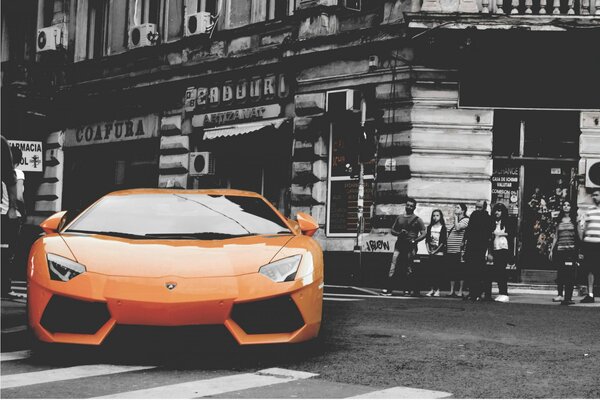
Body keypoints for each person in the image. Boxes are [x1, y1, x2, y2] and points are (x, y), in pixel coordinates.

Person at [383, 197, 426, 297]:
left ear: (414, 208)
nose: (409, 207)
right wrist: (399, 233)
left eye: (411, 206)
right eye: (408, 205)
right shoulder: (399, 218)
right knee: (393, 266)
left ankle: (407, 290)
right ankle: (388, 289)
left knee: (409, 267)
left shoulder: (418, 220)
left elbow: (424, 233)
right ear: (405, 206)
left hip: (411, 246)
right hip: (399, 244)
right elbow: (392, 230)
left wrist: (415, 240)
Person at [549, 200, 579, 306]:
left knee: (569, 274)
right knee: (561, 273)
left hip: (571, 250)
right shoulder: (559, 220)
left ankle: (568, 297)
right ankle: (560, 294)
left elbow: (578, 236)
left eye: (568, 205)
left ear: (571, 207)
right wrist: (552, 250)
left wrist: (579, 251)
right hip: (560, 250)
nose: (566, 207)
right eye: (564, 205)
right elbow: (556, 236)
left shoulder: (574, 221)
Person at [1, 135, 19, 298]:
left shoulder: (1, 143)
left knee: (4, 252)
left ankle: (4, 286)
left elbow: (10, 178)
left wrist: (12, 208)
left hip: (1, 212)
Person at [463, 200, 492, 301]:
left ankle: (476, 292)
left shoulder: (483, 217)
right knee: (473, 271)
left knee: (477, 271)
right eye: (476, 207)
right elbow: (469, 229)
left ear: (484, 207)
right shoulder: (479, 216)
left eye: (479, 207)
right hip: (474, 246)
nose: (477, 209)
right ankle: (474, 292)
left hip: (478, 247)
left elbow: (488, 234)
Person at [486, 203, 515, 303]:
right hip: (496, 247)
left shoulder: (507, 221)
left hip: (503, 248)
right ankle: (501, 293)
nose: (497, 212)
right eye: (496, 210)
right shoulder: (493, 222)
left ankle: (504, 293)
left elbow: (512, 233)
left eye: (499, 210)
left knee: (501, 271)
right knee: (498, 271)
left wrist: (501, 233)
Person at [579, 189, 600, 304]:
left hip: (599, 242)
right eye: (593, 195)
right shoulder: (589, 211)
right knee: (590, 269)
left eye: (597, 195)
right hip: (590, 243)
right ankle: (590, 294)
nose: (594, 197)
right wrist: (583, 242)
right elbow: (585, 227)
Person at [446, 203, 469, 298]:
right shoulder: (454, 220)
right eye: (455, 207)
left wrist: (455, 218)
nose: (455, 209)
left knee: (460, 270)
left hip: (459, 249)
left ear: (463, 210)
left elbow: (458, 228)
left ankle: (460, 290)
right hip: (450, 249)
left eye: (458, 207)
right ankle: (452, 291)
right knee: (452, 270)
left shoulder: (466, 220)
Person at [425, 209, 447, 297]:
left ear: (440, 217)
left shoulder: (443, 228)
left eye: (437, 215)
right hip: (431, 252)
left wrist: (435, 251)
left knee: (438, 272)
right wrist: (428, 250)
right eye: (434, 215)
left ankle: (437, 289)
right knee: (431, 272)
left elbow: (442, 242)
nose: (435, 217)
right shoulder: (430, 227)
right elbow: (427, 240)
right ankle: (431, 289)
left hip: (439, 253)